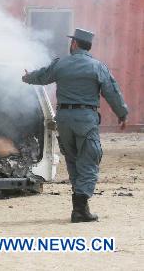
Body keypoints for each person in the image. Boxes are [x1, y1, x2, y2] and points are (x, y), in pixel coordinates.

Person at [22, 28, 129, 222]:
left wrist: (27, 77)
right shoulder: (98, 67)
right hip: (86, 119)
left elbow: (42, 76)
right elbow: (112, 92)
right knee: (88, 161)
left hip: (63, 119)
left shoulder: (61, 64)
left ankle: (80, 207)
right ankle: (80, 209)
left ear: (74, 44)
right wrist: (122, 114)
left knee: (73, 161)